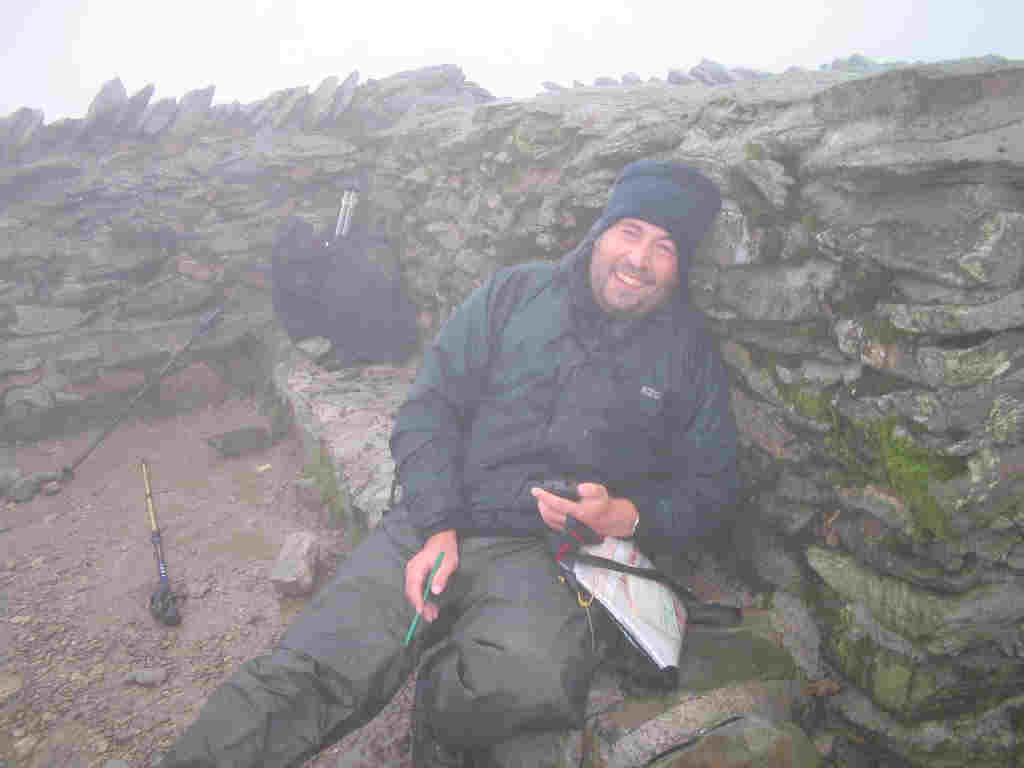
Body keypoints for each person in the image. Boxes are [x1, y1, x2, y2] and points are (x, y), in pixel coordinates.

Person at [158, 159, 738, 767]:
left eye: (664, 246)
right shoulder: (513, 295)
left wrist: (624, 514)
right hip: (439, 517)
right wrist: (436, 524)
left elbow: (712, 487)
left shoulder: (687, 356)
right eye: (630, 232)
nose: (639, 259)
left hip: (549, 558)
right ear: (602, 231)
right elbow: (425, 413)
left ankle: (433, 703)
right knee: (313, 670)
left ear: (682, 265)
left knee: (522, 685)